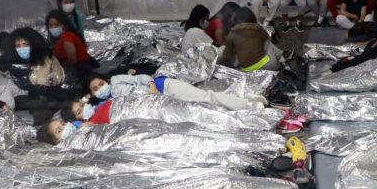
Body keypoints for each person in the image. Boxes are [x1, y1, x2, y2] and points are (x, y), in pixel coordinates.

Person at [83, 72, 264, 111]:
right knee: (203, 108)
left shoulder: (115, 81)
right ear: (91, 94)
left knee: (205, 97)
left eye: (100, 83)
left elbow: (141, 78)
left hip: (164, 87)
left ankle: (248, 104)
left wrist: (152, 86)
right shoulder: (105, 105)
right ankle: (244, 102)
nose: (100, 88)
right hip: (162, 105)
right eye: (95, 89)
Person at [221, 7, 284, 72]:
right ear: (252, 17)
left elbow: (226, 56)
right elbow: (267, 38)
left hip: (248, 72)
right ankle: (283, 60)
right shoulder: (257, 28)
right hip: (269, 66)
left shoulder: (232, 34)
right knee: (266, 42)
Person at [46, 9, 92, 77]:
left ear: (63, 25)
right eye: (51, 25)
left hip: (79, 71)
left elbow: (72, 60)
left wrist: (59, 68)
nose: (53, 28)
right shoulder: (58, 39)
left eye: (56, 25)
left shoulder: (67, 36)